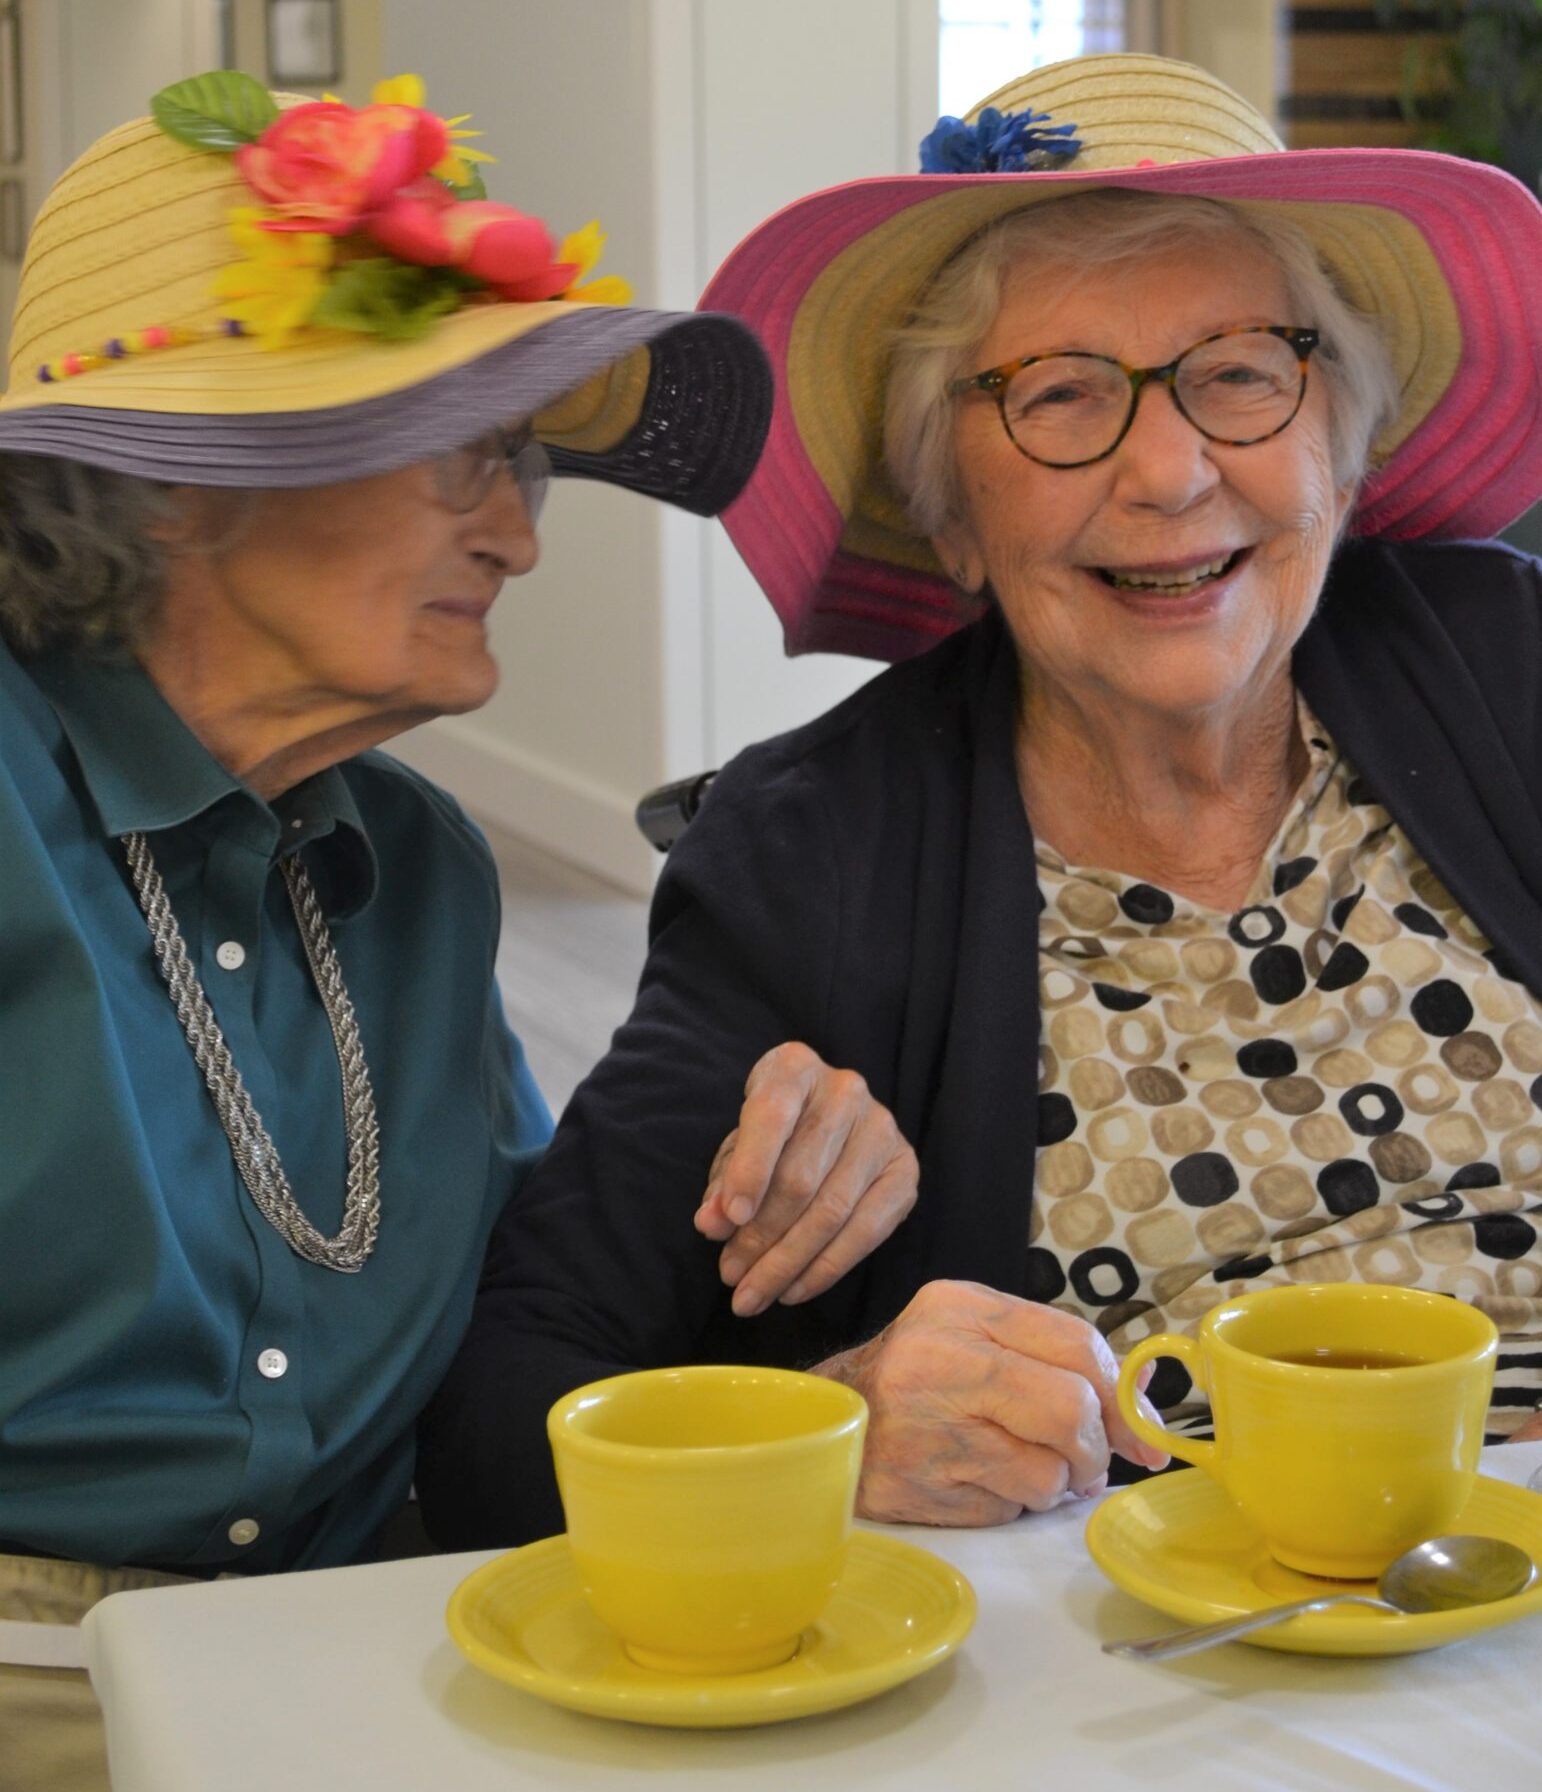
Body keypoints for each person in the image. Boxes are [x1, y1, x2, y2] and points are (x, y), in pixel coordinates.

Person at [417, 53, 1542, 1548]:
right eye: (1060, 396)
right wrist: (837, 1425)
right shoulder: (812, 845)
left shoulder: (1515, 669)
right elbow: (506, 1411)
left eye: (1239, 373)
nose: (1168, 471)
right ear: (950, 516)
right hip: (1177, 1648)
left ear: (1337, 452)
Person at [0, 72, 915, 1791]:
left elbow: (520, 1312)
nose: (520, 535)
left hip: (373, 1646)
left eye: (530, 467)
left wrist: (772, 1186)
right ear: (184, 479)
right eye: (468, 458)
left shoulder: (412, 865)